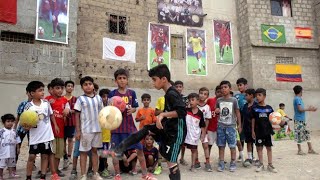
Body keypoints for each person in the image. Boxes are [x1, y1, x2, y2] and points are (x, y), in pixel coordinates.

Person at [112, 64, 187, 180]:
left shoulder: (172, 93)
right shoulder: (168, 93)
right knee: (146, 129)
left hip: (176, 133)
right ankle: (120, 148)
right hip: (168, 127)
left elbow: (182, 111)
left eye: (154, 79)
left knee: (171, 163)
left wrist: (162, 114)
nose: (153, 82)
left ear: (163, 79)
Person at [108, 69, 155, 180]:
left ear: (127, 80)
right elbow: (109, 108)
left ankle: (144, 174)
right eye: (119, 78)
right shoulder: (112, 94)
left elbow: (134, 107)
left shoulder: (132, 93)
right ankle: (117, 174)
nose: (122, 80)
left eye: (124, 78)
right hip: (117, 128)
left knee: (139, 149)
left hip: (130, 127)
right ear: (116, 80)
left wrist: (131, 110)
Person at [24, 81, 60, 180]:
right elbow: (24, 122)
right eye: (40, 90)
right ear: (32, 93)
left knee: (45, 156)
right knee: (31, 157)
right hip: (35, 137)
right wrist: (26, 127)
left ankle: (43, 176)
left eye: (43, 90)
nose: (43, 92)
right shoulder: (28, 106)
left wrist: (55, 125)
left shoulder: (46, 103)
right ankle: (28, 177)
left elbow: (51, 114)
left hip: (47, 135)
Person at [74, 76, 104, 180]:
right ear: (82, 87)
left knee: (95, 151)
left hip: (97, 129)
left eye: (90, 84)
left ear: (93, 85)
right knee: (83, 152)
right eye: (85, 84)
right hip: (86, 130)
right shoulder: (80, 99)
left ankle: (95, 173)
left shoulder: (98, 98)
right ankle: (83, 175)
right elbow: (76, 115)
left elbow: (102, 113)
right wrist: (78, 131)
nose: (88, 86)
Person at [45, 78, 70, 177]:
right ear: (52, 89)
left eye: (61, 88)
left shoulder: (64, 100)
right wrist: (48, 104)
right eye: (57, 88)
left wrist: (67, 109)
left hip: (61, 131)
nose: (60, 90)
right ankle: (51, 170)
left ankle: (56, 170)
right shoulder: (47, 100)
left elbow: (68, 109)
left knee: (59, 153)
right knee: (50, 152)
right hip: (49, 132)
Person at [215, 80, 241, 172]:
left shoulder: (234, 100)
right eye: (222, 88)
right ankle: (221, 162)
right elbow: (216, 112)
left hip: (231, 126)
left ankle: (233, 162)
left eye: (225, 87)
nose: (223, 89)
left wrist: (239, 125)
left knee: (232, 145)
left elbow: (237, 112)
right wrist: (216, 111)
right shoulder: (219, 100)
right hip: (221, 126)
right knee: (221, 146)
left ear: (230, 89)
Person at [251, 88, 277, 173]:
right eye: (256, 95)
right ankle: (261, 164)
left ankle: (270, 165)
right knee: (259, 148)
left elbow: (273, 118)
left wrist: (277, 124)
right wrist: (253, 131)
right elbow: (253, 120)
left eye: (259, 95)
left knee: (269, 148)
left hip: (267, 132)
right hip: (258, 131)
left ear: (264, 96)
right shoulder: (255, 108)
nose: (257, 97)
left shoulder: (269, 108)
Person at [292, 85, 318, 155]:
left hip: (302, 120)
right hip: (298, 120)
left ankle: (310, 149)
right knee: (299, 135)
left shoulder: (299, 99)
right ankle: (299, 150)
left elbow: (301, 109)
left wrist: (308, 108)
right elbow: (300, 109)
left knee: (307, 134)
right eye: (302, 91)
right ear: (300, 91)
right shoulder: (297, 99)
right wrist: (310, 109)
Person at [184, 93, 205, 172]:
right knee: (180, 147)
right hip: (185, 134)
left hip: (194, 135)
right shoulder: (186, 111)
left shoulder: (200, 113)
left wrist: (202, 135)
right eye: (189, 100)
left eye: (193, 100)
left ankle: (193, 165)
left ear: (197, 101)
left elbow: (202, 125)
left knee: (193, 150)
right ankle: (177, 163)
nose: (191, 102)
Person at [15, 90, 33, 171]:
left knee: (32, 146)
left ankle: (32, 164)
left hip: (32, 130)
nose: (31, 94)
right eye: (30, 92)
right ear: (27, 93)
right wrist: (14, 128)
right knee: (17, 145)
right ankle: (13, 163)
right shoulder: (23, 104)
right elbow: (18, 116)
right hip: (21, 129)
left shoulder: (36, 105)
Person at [196, 87, 212, 171]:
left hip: (203, 130)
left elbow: (207, 120)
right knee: (194, 147)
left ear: (207, 96)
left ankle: (208, 163)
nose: (202, 95)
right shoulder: (194, 105)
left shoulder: (207, 107)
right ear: (198, 93)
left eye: (205, 94)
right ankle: (196, 161)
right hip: (194, 130)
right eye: (201, 93)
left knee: (205, 145)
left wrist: (204, 132)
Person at [0, 114, 21, 179]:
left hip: (12, 151)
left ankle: (11, 174)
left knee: (11, 164)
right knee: (1, 165)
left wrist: (18, 148)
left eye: (12, 121)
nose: (10, 123)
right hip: (3, 152)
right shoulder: (1, 131)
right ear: (4, 122)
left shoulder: (14, 131)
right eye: (8, 121)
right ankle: (1, 176)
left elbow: (17, 140)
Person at [98, 88, 111, 178]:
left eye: (107, 96)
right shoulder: (99, 107)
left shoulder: (112, 108)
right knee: (100, 153)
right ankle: (101, 169)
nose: (105, 98)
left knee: (105, 153)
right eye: (103, 96)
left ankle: (103, 168)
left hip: (108, 134)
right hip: (100, 134)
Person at [63, 80, 77, 169]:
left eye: (71, 86)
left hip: (72, 122)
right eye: (68, 86)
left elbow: (77, 110)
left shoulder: (75, 99)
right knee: (63, 140)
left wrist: (71, 111)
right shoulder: (62, 98)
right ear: (65, 87)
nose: (70, 87)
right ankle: (64, 157)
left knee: (70, 140)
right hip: (63, 123)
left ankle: (69, 156)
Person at [242, 89, 257, 167]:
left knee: (257, 143)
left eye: (246, 95)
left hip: (255, 128)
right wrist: (241, 126)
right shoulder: (245, 106)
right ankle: (250, 158)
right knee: (248, 142)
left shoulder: (256, 106)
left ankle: (258, 159)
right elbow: (243, 117)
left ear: (251, 95)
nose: (245, 97)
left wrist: (254, 129)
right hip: (246, 127)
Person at [234, 78, 248, 162]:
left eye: (241, 85)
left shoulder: (250, 95)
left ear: (246, 85)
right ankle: (241, 154)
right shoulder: (236, 96)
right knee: (240, 136)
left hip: (248, 118)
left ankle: (251, 155)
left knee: (249, 138)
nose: (239, 87)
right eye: (238, 85)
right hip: (239, 117)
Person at [206, 85, 222, 155]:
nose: (220, 93)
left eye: (221, 92)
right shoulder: (210, 100)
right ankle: (207, 159)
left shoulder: (224, 102)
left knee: (221, 145)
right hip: (211, 127)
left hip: (220, 127)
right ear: (215, 92)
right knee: (209, 144)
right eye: (218, 92)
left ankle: (221, 159)